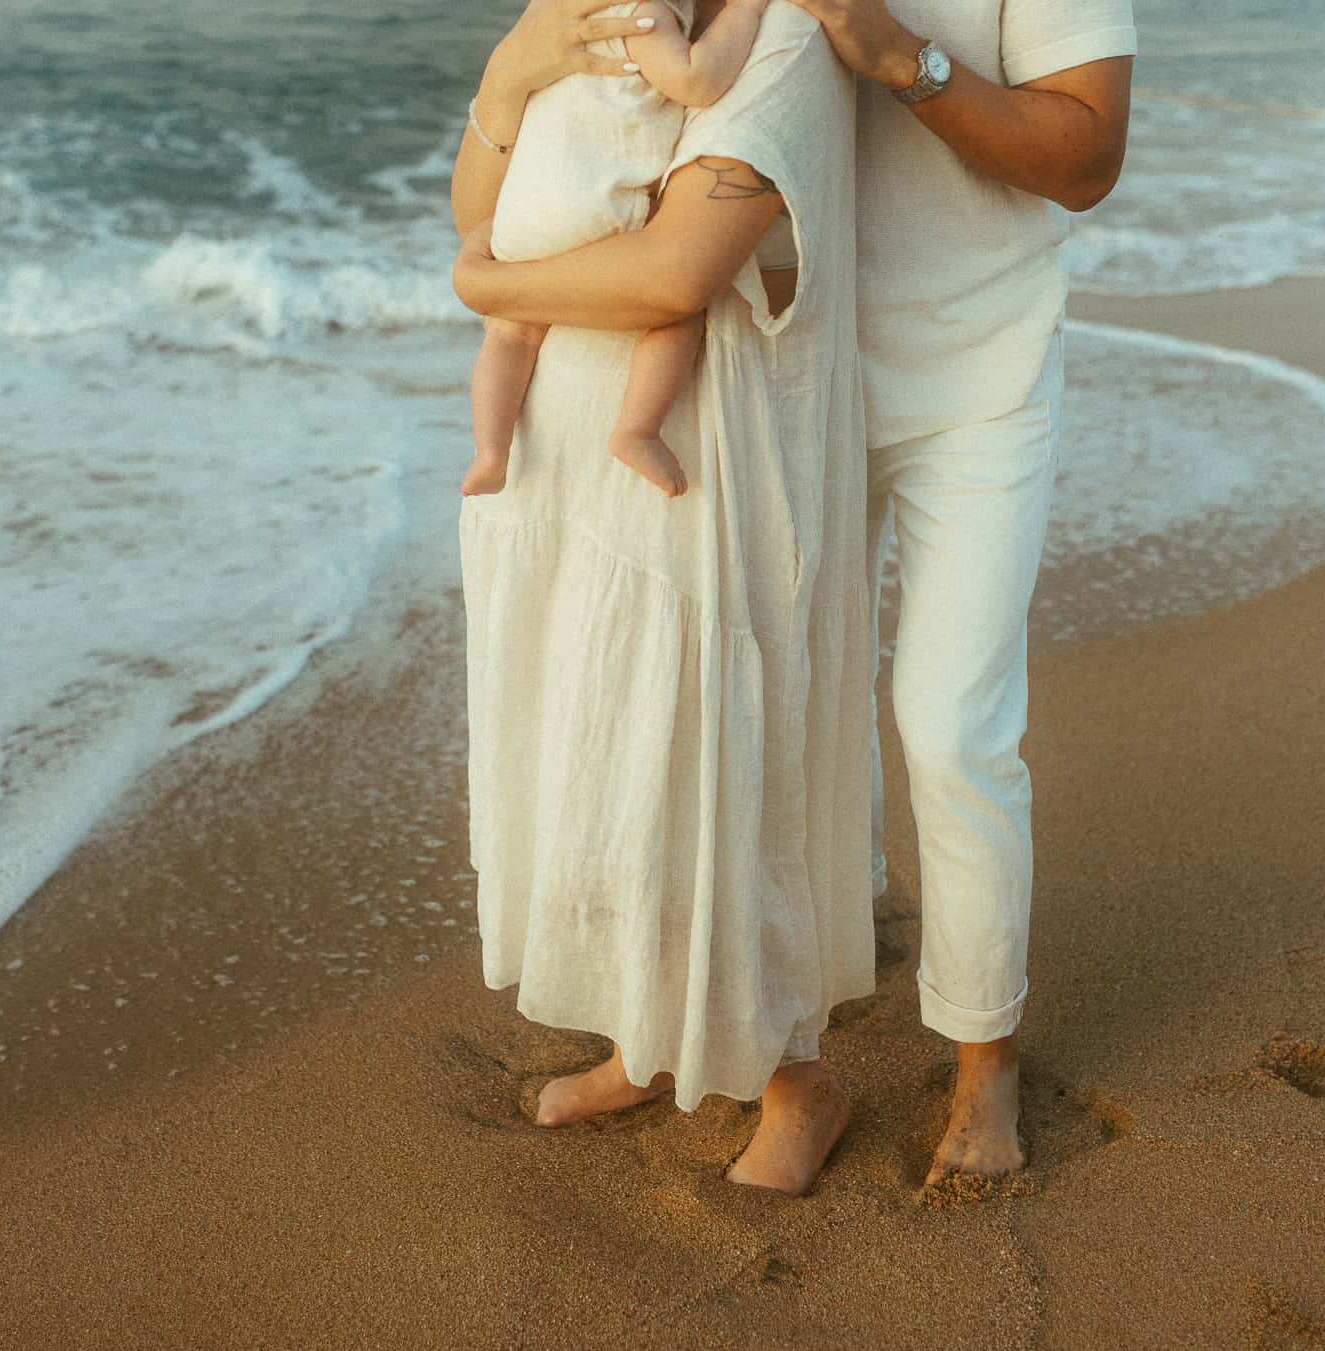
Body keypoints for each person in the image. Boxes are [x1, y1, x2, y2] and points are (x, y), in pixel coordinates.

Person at [450, 0, 873, 1195]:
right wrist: (505, 71)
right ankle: (648, 1035)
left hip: (705, 447)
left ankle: (795, 1071)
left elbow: (674, 274)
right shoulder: (584, 16)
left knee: (715, 761)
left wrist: (486, 284)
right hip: (564, 431)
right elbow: (478, 203)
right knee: (601, 755)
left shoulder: (780, 33)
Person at [778, 0, 1135, 1187]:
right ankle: (745, 1022)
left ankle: (985, 1055)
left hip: (978, 369)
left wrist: (905, 61)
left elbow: (1086, 159)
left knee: (949, 729)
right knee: (774, 707)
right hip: (778, 363)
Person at [462, 0, 780, 499]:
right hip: (594, 213)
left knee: (509, 333)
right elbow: (695, 80)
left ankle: (491, 451)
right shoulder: (644, 12)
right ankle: (637, 429)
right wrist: (746, 12)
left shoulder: (563, 14)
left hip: (521, 213)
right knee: (676, 316)